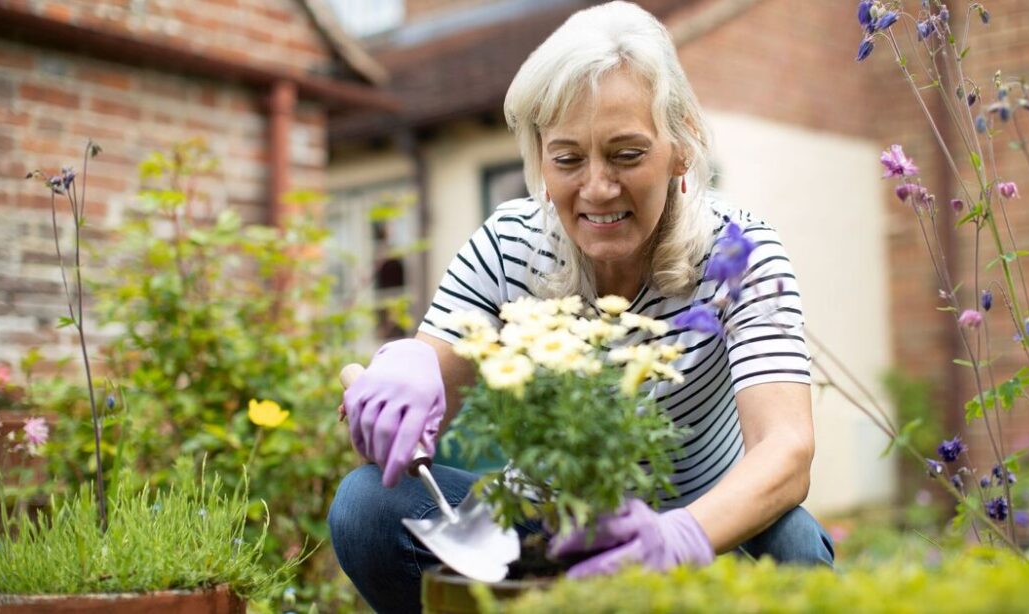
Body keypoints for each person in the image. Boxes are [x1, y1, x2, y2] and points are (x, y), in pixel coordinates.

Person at [328, 2, 833, 611]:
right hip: (545, 529)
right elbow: (431, 387)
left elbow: (786, 449)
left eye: (627, 155)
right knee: (368, 507)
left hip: (705, 530)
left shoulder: (738, 256)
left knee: (796, 546)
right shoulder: (507, 244)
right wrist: (401, 371)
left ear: (682, 148)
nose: (596, 188)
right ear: (540, 159)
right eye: (568, 159)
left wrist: (682, 537)